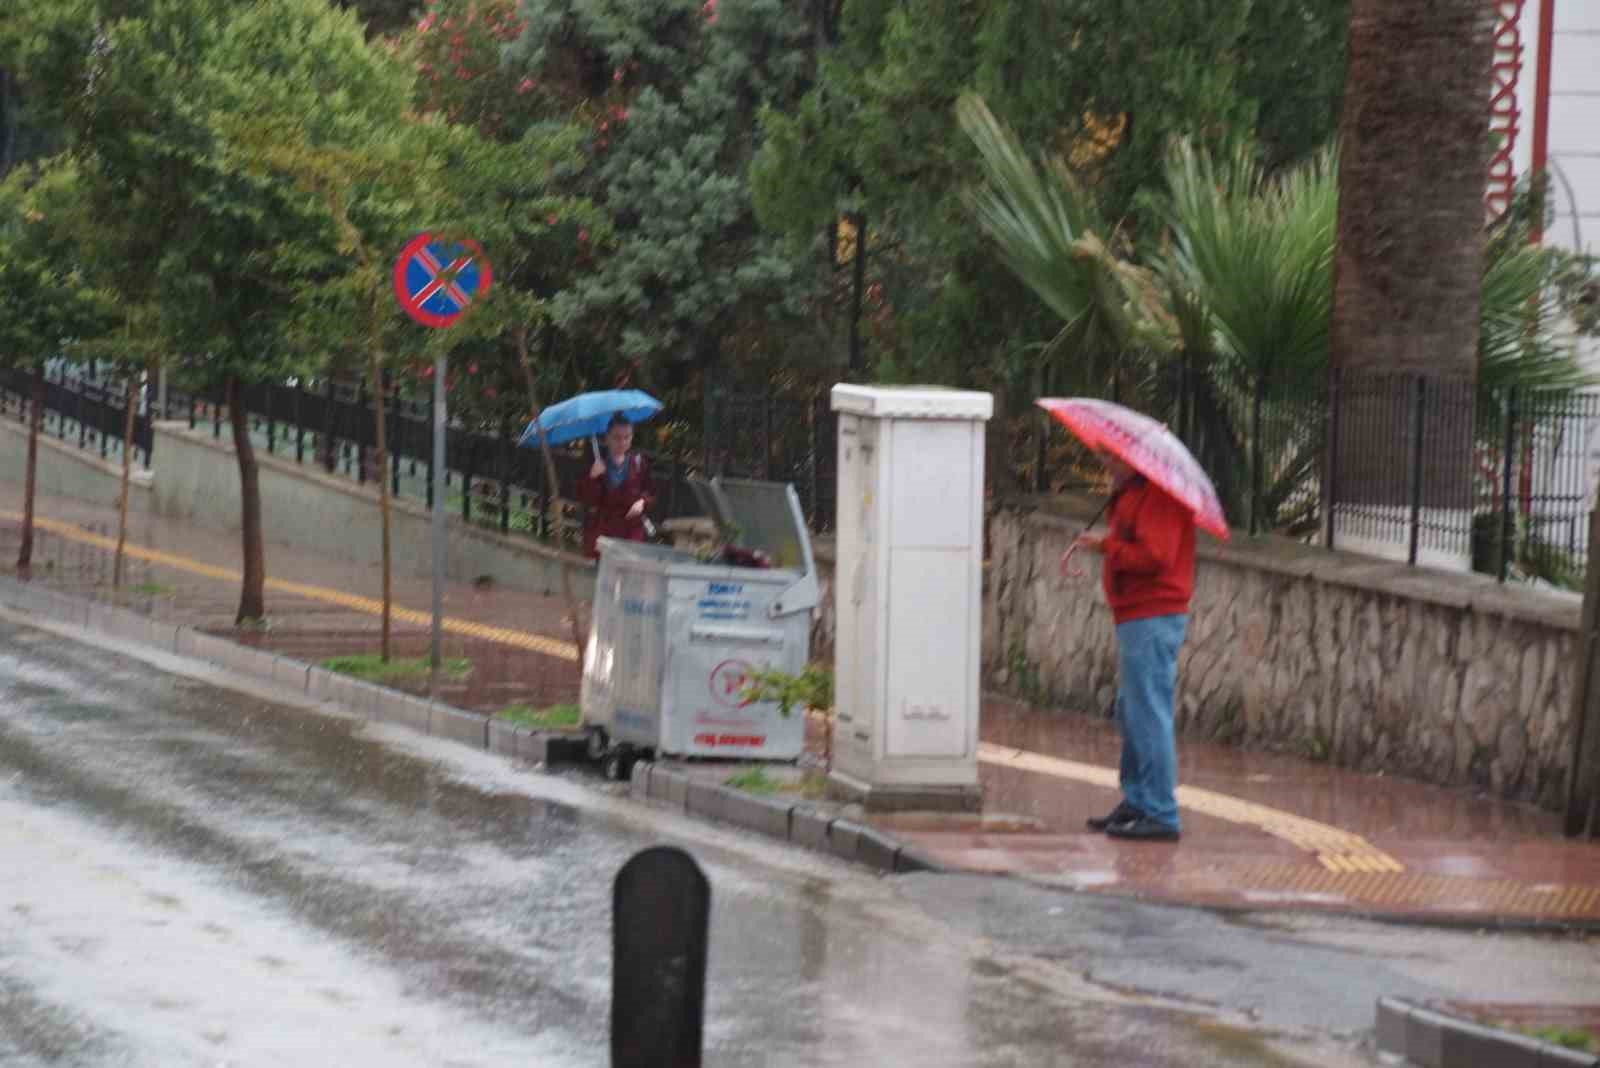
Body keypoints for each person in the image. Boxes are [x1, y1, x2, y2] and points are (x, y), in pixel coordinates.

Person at [1063, 448, 1196, 842]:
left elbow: (1155, 556)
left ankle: (1160, 811)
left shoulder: (1159, 496)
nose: (1107, 467)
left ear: (1136, 459)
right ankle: (1138, 800)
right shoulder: (1136, 491)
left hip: (1152, 614)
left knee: (1148, 712)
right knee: (1132, 709)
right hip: (1136, 614)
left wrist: (1107, 548)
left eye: (1112, 461)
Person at [575, 412, 657, 560]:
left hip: (631, 532)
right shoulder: (597, 464)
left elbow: (651, 492)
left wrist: (642, 502)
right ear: (607, 438)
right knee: (606, 579)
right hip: (606, 533)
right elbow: (587, 500)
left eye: (627, 437)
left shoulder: (638, 463)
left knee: (628, 577)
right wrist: (592, 477)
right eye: (617, 438)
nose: (622, 442)